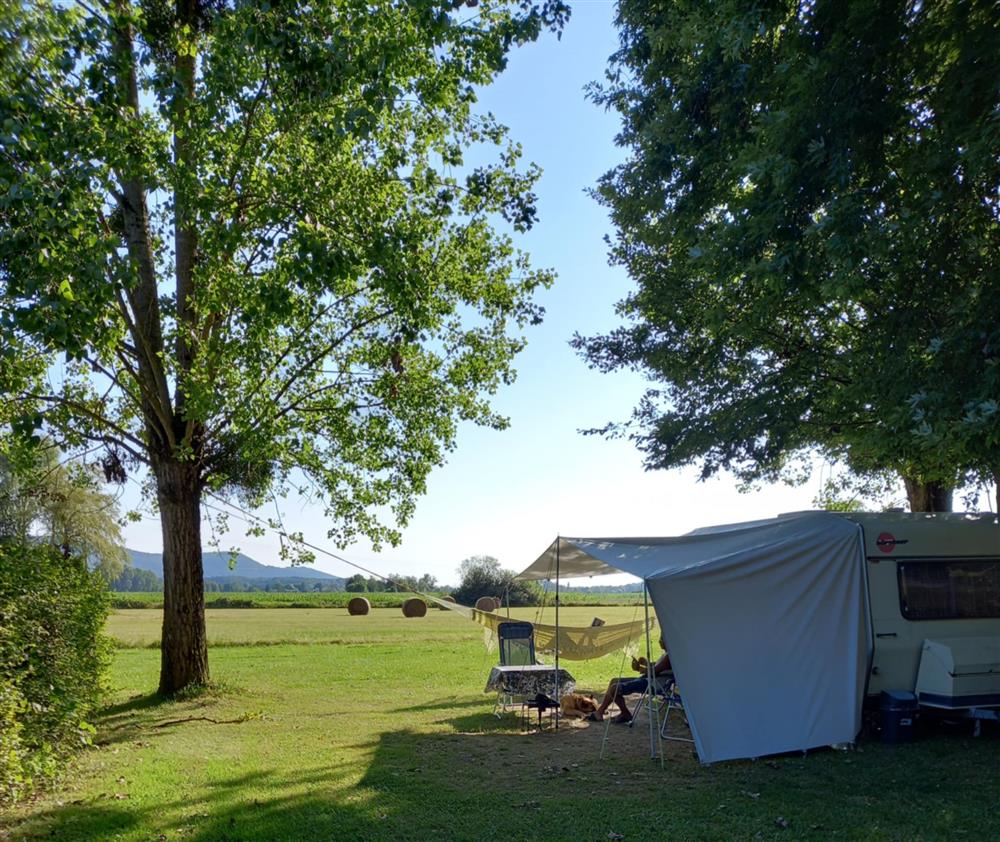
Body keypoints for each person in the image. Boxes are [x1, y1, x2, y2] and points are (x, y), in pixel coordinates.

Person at [587, 637, 672, 724]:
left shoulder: (670, 657)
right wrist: (647, 663)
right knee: (614, 681)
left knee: (615, 688)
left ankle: (623, 713)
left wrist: (640, 668)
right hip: (648, 680)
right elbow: (657, 667)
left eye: (662, 639)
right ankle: (602, 712)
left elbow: (654, 671)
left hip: (655, 685)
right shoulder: (666, 654)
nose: (659, 641)